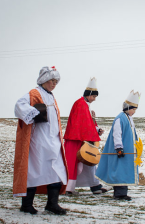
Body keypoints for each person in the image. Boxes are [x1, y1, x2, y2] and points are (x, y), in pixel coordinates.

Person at [13, 66, 68, 215]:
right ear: (44, 80)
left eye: (56, 81)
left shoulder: (50, 96)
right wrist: (34, 114)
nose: (54, 84)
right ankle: (26, 205)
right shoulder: (34, 93)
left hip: (53, 141)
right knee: (34, 171)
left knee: (56, 171)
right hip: (39, 141)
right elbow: (19, 105)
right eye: (51, 81)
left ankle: (52, 204)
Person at [63, 77, 108, 195]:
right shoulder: (81, 104)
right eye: (93, 97)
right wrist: (94, 132)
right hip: (76, 139)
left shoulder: (85, 104)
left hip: (82, 138)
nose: (94, 99)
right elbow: (82, 124)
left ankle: (95, 185)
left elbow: (87, 122)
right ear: (89, 94)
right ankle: (68, 188)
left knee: (89, 161)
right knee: (74, 162)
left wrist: (96, 129)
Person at [95, 90, 142, 201]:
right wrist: (119, 148)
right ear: (128, 108)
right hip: (120, 151)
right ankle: (119, 194)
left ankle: (122, 193)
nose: (134, 112)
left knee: (124, 171)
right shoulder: (120, 118)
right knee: (120, 171)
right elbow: (117, 134)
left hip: (127, 152)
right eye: (133, 109)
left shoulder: (128, 118)